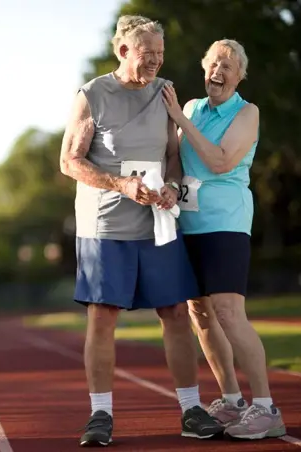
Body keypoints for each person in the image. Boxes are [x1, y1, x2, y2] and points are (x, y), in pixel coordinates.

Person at [59, 15, 224, 447]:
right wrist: (120, 184)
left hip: (158, 222)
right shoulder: (92, 95)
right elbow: (70, 161)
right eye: (147, 54)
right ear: (123, 52)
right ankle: (100, 415)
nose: (155, 61)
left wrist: (171, 186)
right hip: (105, 225)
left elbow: (173, 154)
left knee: (174, 311)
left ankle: (191, 408)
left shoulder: (165, 92)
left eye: (160, 54)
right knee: (102, 316)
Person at [162, 39, 286, 440]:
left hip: (226, 224)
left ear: (239, 75)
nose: (218, 70)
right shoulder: (196, 107)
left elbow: (219, 160)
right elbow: (179, 161)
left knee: (230, 312)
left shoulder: (247, 113)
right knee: (201, 316)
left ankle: (266, 408)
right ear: (204, 68)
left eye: (228, 66)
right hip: (190, 225)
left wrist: (179, 119)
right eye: (213, 63)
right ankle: (232, 400)